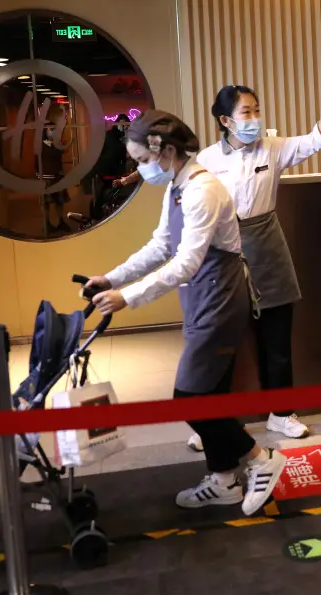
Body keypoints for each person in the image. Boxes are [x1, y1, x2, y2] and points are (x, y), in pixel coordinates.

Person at [84, 110, 286, 516]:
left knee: (189, 399)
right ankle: (224, 479)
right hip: (203, 300)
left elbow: (186, 263)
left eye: (142, 160)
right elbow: (160, 246)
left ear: (168, 151)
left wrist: (129, 296)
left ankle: (261, 458)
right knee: (211, 397)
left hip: (220, 301)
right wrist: (110, 278)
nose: (140, 169)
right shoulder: (176, 187)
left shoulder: (202, 190)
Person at [189, 63, 321, 451]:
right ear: (226, 120)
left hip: (268, 243)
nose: (255, 119)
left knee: (277, 335)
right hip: (225, 249)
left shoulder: (273, 148)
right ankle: (214, 422)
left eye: (257, 110)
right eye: (247, 112)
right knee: (221, 340)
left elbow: (318, 138)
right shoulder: (206, 160)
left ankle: (281, 414)